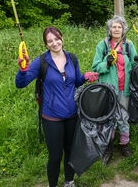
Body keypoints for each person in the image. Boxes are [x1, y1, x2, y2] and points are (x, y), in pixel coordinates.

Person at [15, 26, 99, 187]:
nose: (54, 43)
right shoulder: (41, 62)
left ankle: (69, 182)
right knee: (55, 156)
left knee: (70, 152)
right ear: (46, 44)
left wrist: (84, 77)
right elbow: (21, 84)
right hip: (52, 116)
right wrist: (23, 70)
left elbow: (75, 82)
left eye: (56, 39)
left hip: (72, 115)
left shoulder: (72, 59)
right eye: (50, 41)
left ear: (62, 38)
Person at [91, 15, 138, 166]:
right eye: (114, 27)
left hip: (124, 89)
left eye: (119, 27)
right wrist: (107, 63)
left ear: (124, 29)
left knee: (123, 117)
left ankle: (124, 144)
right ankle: (108, 148)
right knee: (108, 118)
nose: (116, 29)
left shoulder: (129, 45)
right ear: (109, 29)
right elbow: (96, 67)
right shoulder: (103, 45)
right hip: (108, 90)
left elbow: (135, 64)